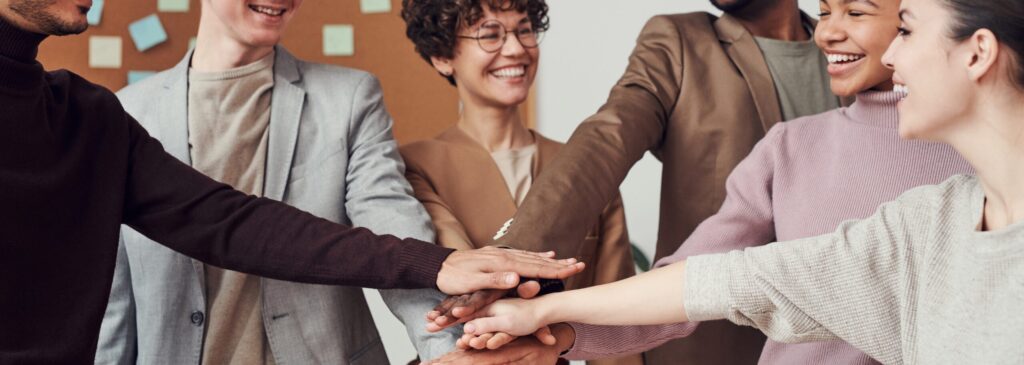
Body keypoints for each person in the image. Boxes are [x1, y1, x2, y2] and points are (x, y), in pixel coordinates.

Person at [0, 0, 585, 362]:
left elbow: (233, 222)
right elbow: (117, 311)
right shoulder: (129, 108)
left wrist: (434, 271)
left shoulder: (87, 118)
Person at [451, 0, 1024, 363]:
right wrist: (526, 292)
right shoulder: (914, 220)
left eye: (896, 25)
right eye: (826, 12)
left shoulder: (941, 188)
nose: (834, 32)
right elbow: (724, 274)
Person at [429, 0, 846, 362]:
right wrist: (513, 256)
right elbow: (607, 139)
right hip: (710, 342)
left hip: (842, 339)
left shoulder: (853, 47)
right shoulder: (681, 42)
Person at [93, 0, 461, 363]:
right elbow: (113, 299)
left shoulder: (350, 98)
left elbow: (394, 226)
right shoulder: (127, 113)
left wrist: (445, 349)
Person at [399, 1, 639, 364]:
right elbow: (464, 288)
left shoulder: (585, 164)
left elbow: (619, 315)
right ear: (442, 57)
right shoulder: (413, 166)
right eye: (490, 35)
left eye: (524, 30)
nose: (515, 49)